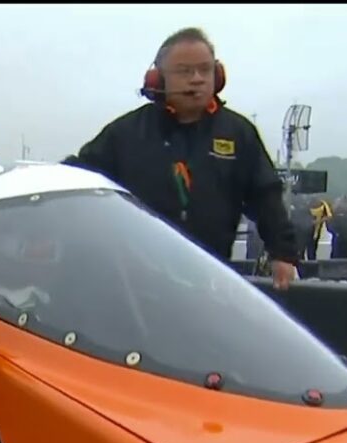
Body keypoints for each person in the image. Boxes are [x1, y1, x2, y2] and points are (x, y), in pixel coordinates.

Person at [63, 27, 298, 289]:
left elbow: (265, 194)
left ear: (217, 76)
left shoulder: (239, 133)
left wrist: (283, 253)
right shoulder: (125, 133)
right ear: (158, 79)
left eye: (204, 70)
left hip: (210, 282)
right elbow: (77, 178)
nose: (196, 79)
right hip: (133, 283)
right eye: (184, 71)